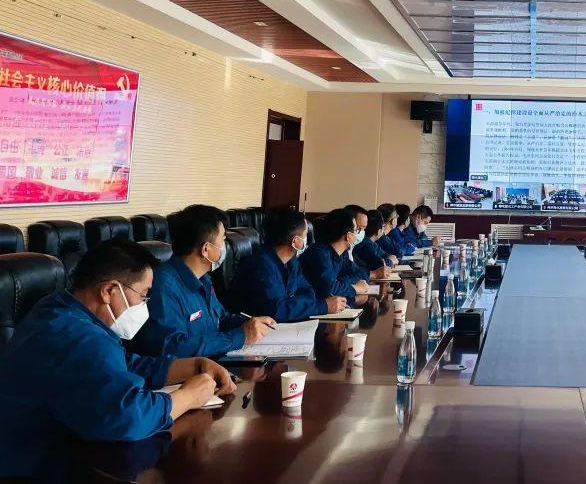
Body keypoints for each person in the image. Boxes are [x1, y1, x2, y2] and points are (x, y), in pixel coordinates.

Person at [0, 239, 236, 481]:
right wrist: (188, 397)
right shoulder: (81, 338)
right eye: (143, 295)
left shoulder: (59, 308)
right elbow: (128, 416)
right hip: (35, 469)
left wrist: (191, 366)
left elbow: (118, 365)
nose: (145, 305)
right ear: (109, 291)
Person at [132, 204, 275, 358]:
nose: (224, 246)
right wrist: (239, 337)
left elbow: (219, 318)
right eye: (223, 240)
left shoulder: (204, 278)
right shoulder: (162, 286)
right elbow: (173, 348)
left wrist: (250, 325)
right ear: (206, 249)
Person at [232, 210, 346, 322]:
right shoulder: (262, 265)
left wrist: (294, 306)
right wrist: (323, 306)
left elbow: (308, 292)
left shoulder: (292, 261)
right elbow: (277, 310)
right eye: (305, 234)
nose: (307, 239)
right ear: (295, 241)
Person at [300, 207, 371, 306]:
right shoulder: (319, 254)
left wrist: (340, 282)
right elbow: (329, 289)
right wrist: (355, 288)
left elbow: (361, 273)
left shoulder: (342, 254)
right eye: (356, 230)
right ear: (348, 235)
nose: (358, 233)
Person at [351, 209, 392, 280]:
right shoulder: (364, 244)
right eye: (358, 228)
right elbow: (380, 266)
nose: (361, 232)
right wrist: (372, 274)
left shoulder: (370, 243)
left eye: (363, 228)